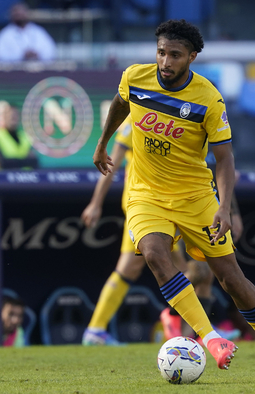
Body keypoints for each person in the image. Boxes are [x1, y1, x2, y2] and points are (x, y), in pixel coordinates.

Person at [92, 19, 255, 381]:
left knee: (230, 278)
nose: (165, 62)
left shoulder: (208, 99)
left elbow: (225, 159)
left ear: (192, 56)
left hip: (195, 197)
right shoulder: (135, 78)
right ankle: (211, 338)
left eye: (174, 55)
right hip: (146, 194)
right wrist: (102, 142)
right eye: (161, 52)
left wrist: (224, 206)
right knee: (154, 254)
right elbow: (119, 104)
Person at [81, 116, 194, 345]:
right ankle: (188, 329)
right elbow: (111, 165)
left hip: (162, 204)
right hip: (144, 207)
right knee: (183, 269)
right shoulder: (134, 121)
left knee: (134, 269)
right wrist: (95, 203)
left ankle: (96, 329)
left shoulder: (169, 118)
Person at [0, 101, 38, 169]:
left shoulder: (25, 137)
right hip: (4, 178)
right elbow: (2, 162)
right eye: (10, 115)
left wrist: (13, 161)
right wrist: (25, 161)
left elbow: (34, 161)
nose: (13, 117)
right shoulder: (1, 136)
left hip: (26, 177)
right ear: (4, 117)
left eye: (15, 115)